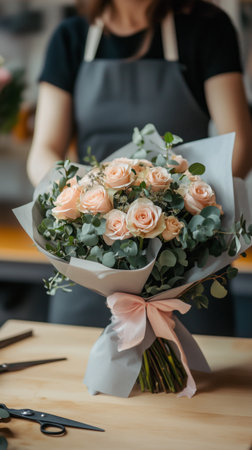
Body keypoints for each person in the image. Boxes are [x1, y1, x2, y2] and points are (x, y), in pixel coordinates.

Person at [27, 0, 252, 333]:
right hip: (90, 261)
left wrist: (185, 214)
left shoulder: (206, 27)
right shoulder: (71, 37)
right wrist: (85, 203)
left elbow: (240, 144)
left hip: (185, 262)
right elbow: (43, 151)